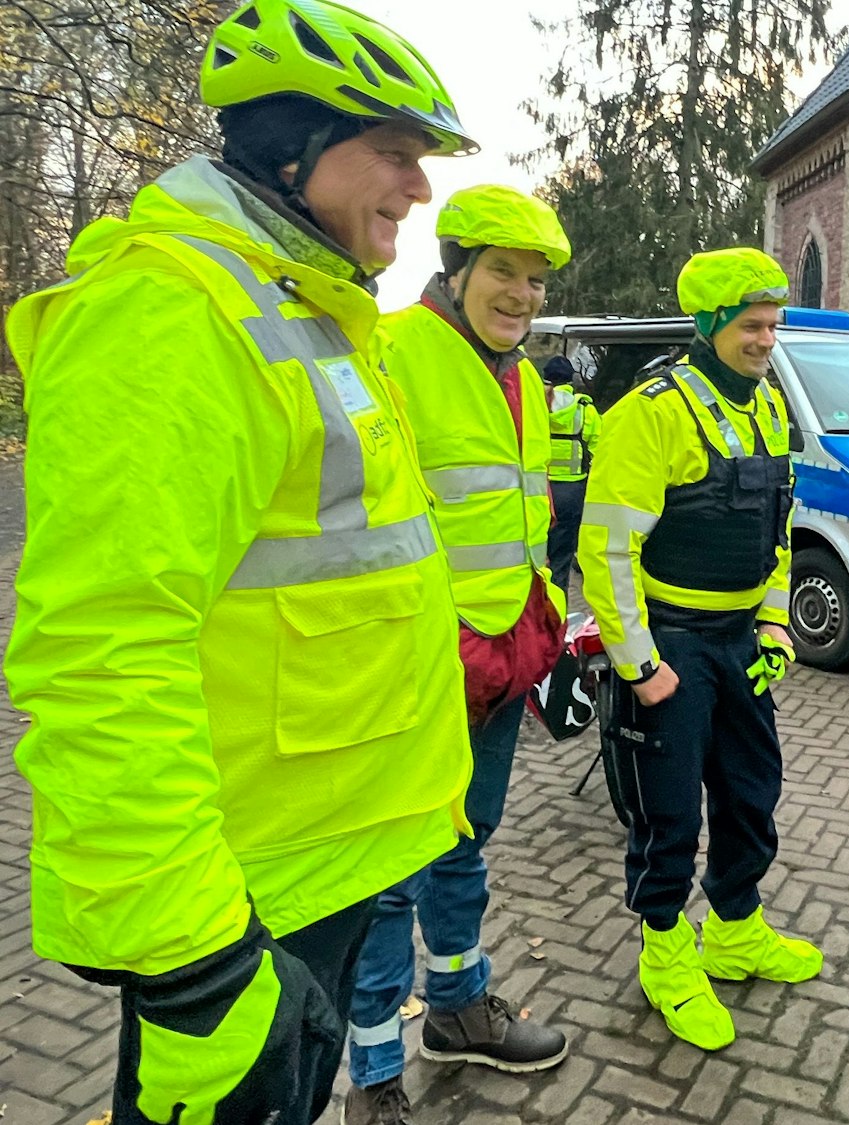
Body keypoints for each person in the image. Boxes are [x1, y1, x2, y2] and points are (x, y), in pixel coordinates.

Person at [0, 2, 476, 1120]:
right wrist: (194, 965)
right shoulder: (169, 314)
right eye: (396, 155)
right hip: (243, 901)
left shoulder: (308, 306)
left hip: (323, 858)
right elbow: (101, 654)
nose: (418, 190)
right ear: (291, 147)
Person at [342, 184, 573, 1122]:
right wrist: (440, 641)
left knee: (466, 851)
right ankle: (373, 1075)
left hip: (502, 668)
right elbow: (364, 524)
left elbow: (517, 521)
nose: (521, 295)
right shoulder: (395, 352)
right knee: (391, 878)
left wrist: (544, 621)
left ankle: (457, 1010)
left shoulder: (521, 375)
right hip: (423, 669)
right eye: (504, 274)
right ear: (456, 269)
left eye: (535, 280)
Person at [578, 247, 823, 1052]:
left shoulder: (767, 410)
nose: (767, 339)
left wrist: (778, 625)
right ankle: (665, 953)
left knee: (753, 791)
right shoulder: (649, 414)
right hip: (672, 644)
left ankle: (735, 928)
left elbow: (777, 533)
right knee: (669, 810)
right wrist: (639, 664)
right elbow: (606, 551)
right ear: (712, 323)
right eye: (753, 325)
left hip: (741, 642)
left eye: (773, 324)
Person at [543, 352, 602, 591]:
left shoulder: (535, 404)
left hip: (538, 489)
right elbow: (600, 449)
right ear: (570, 380)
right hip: (571, 491)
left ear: (547, 378)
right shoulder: (584, 409)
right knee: (561, 558)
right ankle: (557, 615)